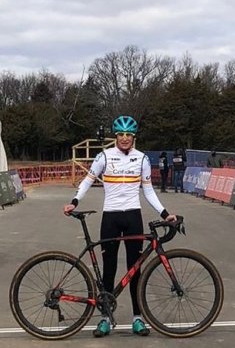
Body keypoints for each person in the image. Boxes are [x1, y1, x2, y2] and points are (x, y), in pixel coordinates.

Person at [63, 116, 176, 338]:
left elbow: (148, 190)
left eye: (129, 135)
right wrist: (74, 201)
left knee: (135, 269)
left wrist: (164, 213)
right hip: (110, 217)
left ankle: (137, 318)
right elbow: (87, 180)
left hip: (133, 216)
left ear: (134, 137)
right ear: (115, 136)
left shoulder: (142, 159)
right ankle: (105, 318)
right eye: (121, 135)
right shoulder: (104, 156)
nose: (125, 138)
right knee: (109, 268)